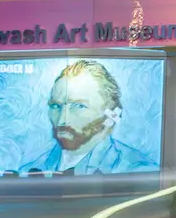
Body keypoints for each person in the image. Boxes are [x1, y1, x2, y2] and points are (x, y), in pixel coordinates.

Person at [23, 61, 153, 175]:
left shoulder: (139, 171)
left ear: (109, 116)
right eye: (56, 106)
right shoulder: (30, 170)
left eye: (79, 106)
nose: (62, 120)